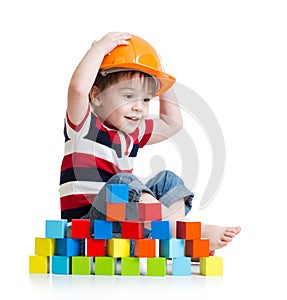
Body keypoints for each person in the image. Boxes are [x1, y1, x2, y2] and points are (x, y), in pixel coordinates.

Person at [59, 31, 240, 254]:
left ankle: (172, 239)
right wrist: (98, 50)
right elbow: (77, 89)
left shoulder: (133, 133)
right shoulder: (85, 126)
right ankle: (185, 231)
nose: (139, 107)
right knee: (123, 182)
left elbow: (172, 122)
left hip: (124, 228)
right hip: (87, 229)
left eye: (146, 99)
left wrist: (163, 82)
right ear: (96, 96)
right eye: (128, 96)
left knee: (167, 180)